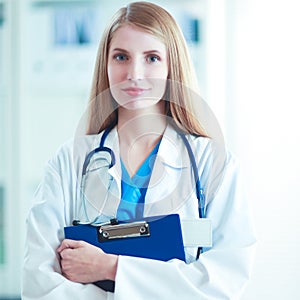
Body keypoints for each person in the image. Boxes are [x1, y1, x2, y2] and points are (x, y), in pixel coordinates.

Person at [22, 1, 256, 299]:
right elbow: (39, 284)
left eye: (152, 58)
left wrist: (112, 268)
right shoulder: (69, 163)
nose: (134, 73)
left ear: (173, 67)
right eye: (121, 57)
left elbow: (223, 282)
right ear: (105, 65)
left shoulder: (214, 165)